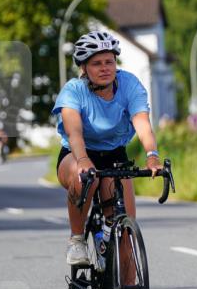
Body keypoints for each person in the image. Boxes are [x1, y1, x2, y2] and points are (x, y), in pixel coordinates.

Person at [52, 30, 162, 275]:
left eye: (109, 62)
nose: (105, 68)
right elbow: (75, 132)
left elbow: (142, 123)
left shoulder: (129, 84)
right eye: (96, 63)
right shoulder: (73, 91)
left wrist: (152, 155)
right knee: (86, 179)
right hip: (76, 154)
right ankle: (77, 240)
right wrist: (82, 160)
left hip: (115, 154)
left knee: (125, 226)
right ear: (84, 68)